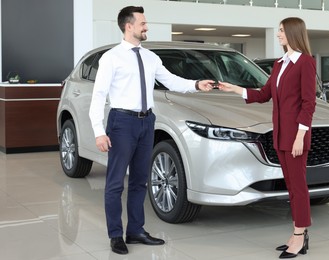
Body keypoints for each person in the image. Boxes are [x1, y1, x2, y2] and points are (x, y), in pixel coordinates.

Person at [89, 6, 215, 255]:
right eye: (143, 23)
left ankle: (135, 230)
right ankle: (115, 235)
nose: (146, 27)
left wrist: (196, 85)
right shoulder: (111, 58)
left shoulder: (150, 57)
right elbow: (98, 96)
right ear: (129, 26)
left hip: (147, 122)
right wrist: (98, 131)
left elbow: (171, 80)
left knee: (139, 181)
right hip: (122, 122)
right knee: (115, 184)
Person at [218, 17, 316, 259]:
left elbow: (308, 103)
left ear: (293, 33)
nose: (278, 34)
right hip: (281, 134)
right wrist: (235, 89)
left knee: (298, 187)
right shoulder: (280, 64)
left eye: (281, 31)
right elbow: (264, 95)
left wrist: (300, 136)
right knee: (291, 186)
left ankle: (300, 234)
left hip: (295, 136)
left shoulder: (305, 63)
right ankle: (297, 234)